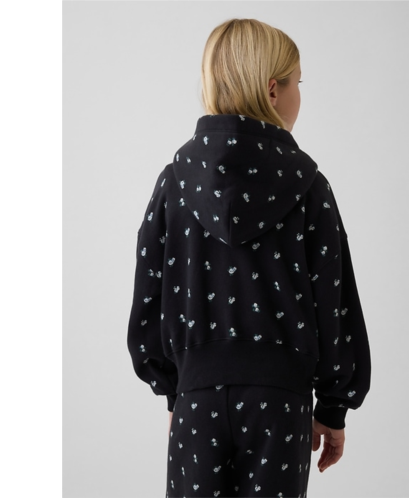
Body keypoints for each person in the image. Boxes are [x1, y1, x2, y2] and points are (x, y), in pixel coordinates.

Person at [128, 18, 371, 497]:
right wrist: (333, 408)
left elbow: (149, 295)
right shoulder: (308, 185)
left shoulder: (175, 182)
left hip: (197, 401)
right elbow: (334, 302)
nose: (300, 95)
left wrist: (177, 388)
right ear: (273, 90)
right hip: (280, 405)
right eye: (298, 83)